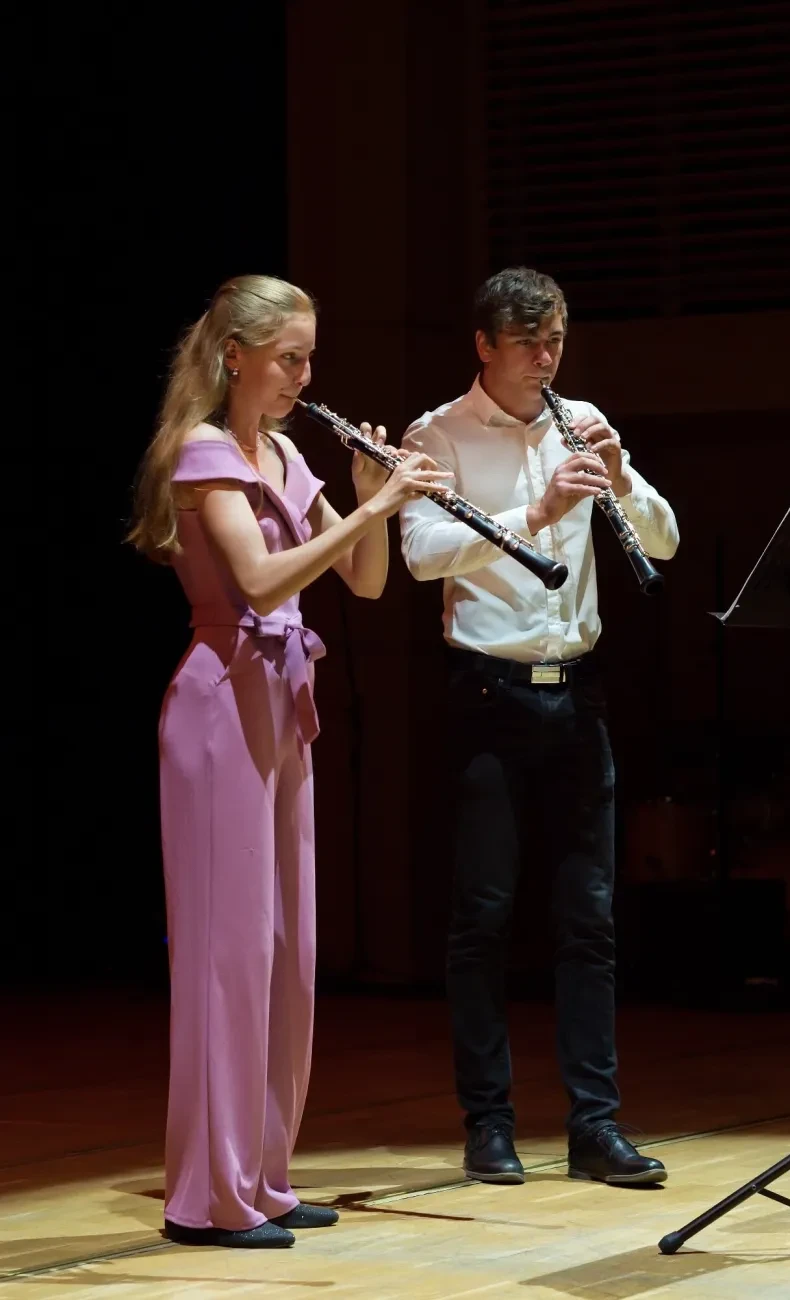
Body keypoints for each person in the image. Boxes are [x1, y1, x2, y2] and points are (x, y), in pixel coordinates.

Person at [129, 275, 445, 1248]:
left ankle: (260, 1178)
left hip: (279, 706)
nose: (305, 377)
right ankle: (206, 1197)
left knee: (284, 955)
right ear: (235, 356)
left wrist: (372, 502)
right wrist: (375, 504)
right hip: (219, 705)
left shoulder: (285, 452)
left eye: (310, 359)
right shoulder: (202, 453)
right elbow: (262, 583)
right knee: (225, 959)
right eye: (289, 359)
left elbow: (364, 582)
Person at [399, 266, 679, 1188]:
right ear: (484, 345)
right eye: (527, 343)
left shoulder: (580, 419)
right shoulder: (437, 434)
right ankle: (488, 1123)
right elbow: (421, 554)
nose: (545, 358)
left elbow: (666, 539)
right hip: (489, 695)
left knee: (589, 919)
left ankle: (595, 1124)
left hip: (579, 695)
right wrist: (539, 511)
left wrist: (622, 478)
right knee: (483, 917)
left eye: (555, 340)